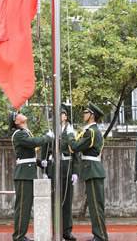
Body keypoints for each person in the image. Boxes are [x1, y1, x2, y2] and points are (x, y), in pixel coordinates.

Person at [11, 112, 54, 241]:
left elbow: (28, 156)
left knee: (27, 206)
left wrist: (40, 163)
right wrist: (47, 137)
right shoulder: (19, 134)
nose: (22, 114)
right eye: (18, 114)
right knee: (23, 206)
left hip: (28, 172)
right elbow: (33, 142)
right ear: (17, 122)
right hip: (24, 174)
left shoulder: (25, 132)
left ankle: (21, 234)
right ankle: (18, 235)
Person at [68, 103, 108, 241]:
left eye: (86, 112)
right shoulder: (91, 131)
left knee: (96, 205)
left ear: (92, 115)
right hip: (91, 170)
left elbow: (75, 147)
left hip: (93, 170)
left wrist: (70, 136)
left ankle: (100, 236)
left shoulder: (91, 132)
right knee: (95, 205)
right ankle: (98, 234)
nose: (84, 114)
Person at [39, 105, 80, 241]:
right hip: (53, 167)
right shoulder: (50, 131)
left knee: (67, 201)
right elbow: (44, 151)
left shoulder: (71, 132)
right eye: (57, 114)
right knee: (54, 202)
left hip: (66, 167)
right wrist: (44, 170)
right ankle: (55, 230)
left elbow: (76, 154)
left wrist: (75, 172)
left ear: (66, 116)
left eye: (62, 114)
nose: (59, 116)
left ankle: (67, 231)